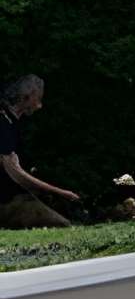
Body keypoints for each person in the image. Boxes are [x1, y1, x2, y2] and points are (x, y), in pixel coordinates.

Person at [0, 74, 81, 228]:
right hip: (5, 200)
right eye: (38, 99)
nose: (39, 106)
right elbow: (16, 174)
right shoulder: (4, 122)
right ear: (26, 97)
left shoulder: (12, 120)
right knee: (63, 226)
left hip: (13, 196)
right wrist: (61, 193)